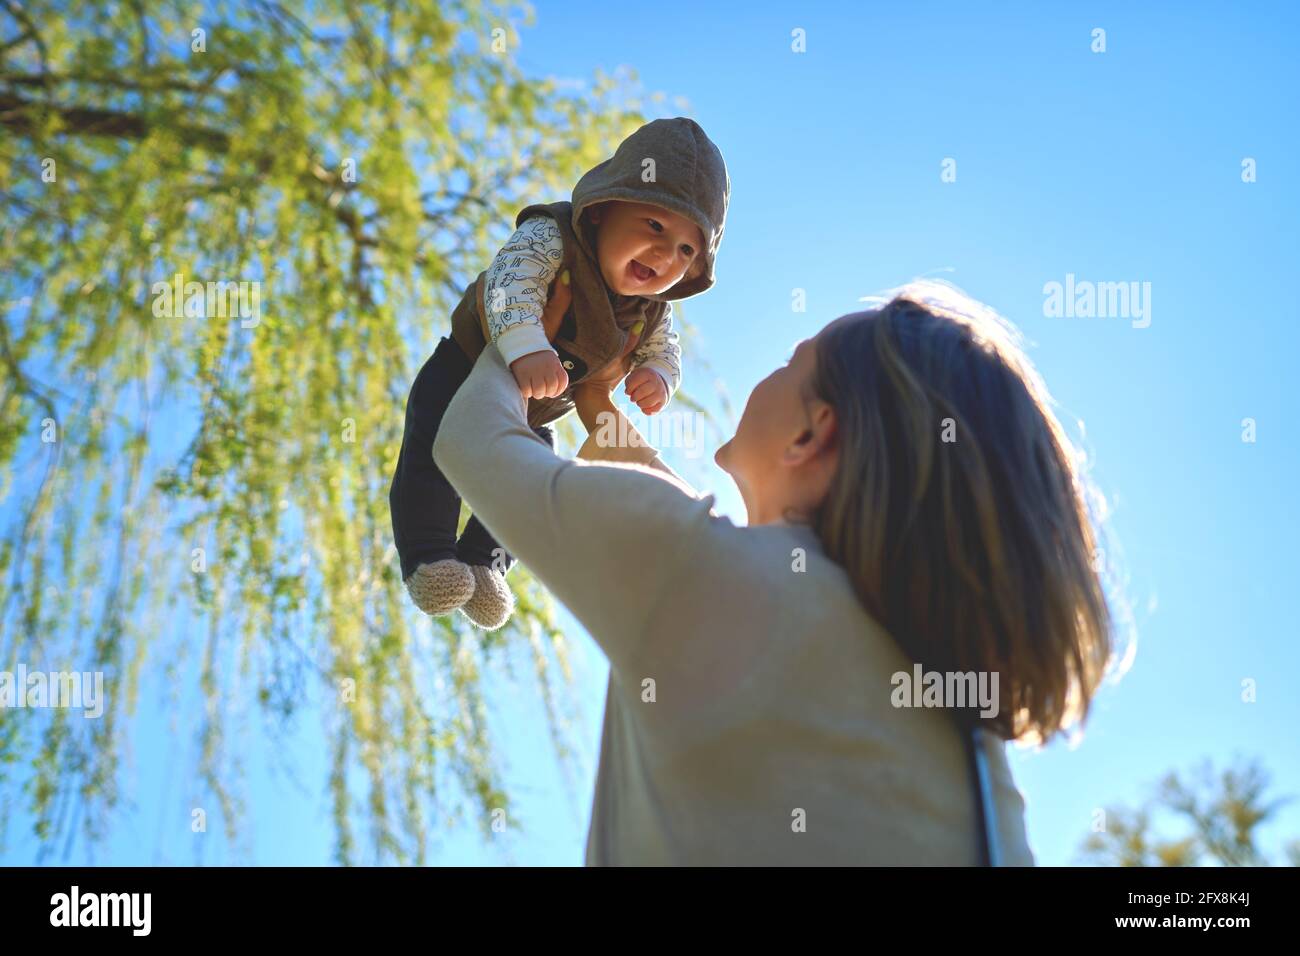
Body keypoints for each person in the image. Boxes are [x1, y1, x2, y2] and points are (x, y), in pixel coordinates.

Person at [432, 281, 1115, 865]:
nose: (772, 370)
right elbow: (693, 542)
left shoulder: (692, 573)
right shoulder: (978, 757)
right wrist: (603, 409)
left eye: (793, 362)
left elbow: (470, 439)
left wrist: (522, 338)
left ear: (810, 435)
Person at [389, 117, 730, 629]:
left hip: (539, 411)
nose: (665, 256)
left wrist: (658, 376)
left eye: (687, 250)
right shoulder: (553, 237)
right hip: (464, 367)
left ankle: (486, 561)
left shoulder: (652, 307)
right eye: (655, 227)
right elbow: (510, 283)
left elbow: (665, 348)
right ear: (602, 212)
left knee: (533, 476)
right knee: (434, 448)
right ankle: (429, 555)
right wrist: (526, 345)